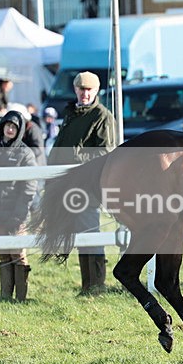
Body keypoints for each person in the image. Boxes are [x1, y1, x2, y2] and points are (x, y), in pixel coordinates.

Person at [49, 71, 116, 291]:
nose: (85, 94)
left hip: (88, 186)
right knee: (79, 235)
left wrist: (74, 156)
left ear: (96, 91)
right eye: (81, 89)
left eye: (89, 90)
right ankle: (87, 284)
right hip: (67, 184)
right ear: (75, 89)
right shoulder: (71, 113)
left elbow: (106, 153)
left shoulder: (102, 116)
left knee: (90, 233)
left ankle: (96, 284)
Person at [0, 111, 37, 301]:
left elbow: (29, 187)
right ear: (2, 126)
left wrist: (20, 213)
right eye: (7, 125)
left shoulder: (25, 153)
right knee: (3, 254)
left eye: (14, 127)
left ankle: (20, 298)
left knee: (17, 254)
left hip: (17, 214)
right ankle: (5, 296)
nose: (10, 129)